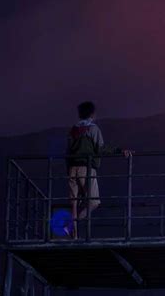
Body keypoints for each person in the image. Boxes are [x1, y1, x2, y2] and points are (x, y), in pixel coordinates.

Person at [65, 101, 131, 238]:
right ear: (92, 114)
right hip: (86, 168)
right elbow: (101, 148)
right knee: (94, 201)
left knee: (74, 205)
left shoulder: (73, 129)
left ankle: (73, 236)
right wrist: (119, 150)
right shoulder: (93, 129)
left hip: (72, 168)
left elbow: (68, 151)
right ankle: (70, 224)